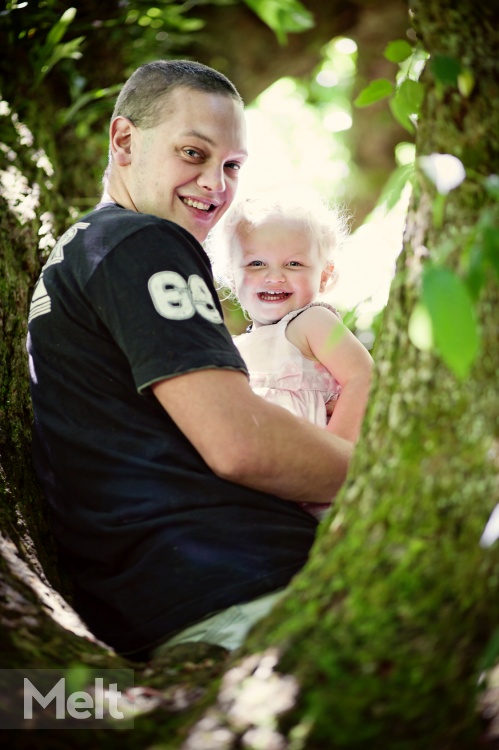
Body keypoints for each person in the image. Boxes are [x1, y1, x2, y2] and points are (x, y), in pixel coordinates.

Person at [26, 60, 353, 661]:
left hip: (169, 601)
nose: (216, 185)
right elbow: (239, 442)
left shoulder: (81, 252)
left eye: (231, 167)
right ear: (124, 140)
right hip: (242, 587)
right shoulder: (142, 241)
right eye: (193, 154)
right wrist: (380, 475)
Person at [208, 190, 373, 518]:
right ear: (230, 272)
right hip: (263, 492)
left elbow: (364, 376)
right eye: (256, 263)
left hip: (313, 489)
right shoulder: (237, 347)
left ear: (324, 275)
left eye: (294, 263)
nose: (274, 276)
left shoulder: (311, 321)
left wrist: (335, 456)